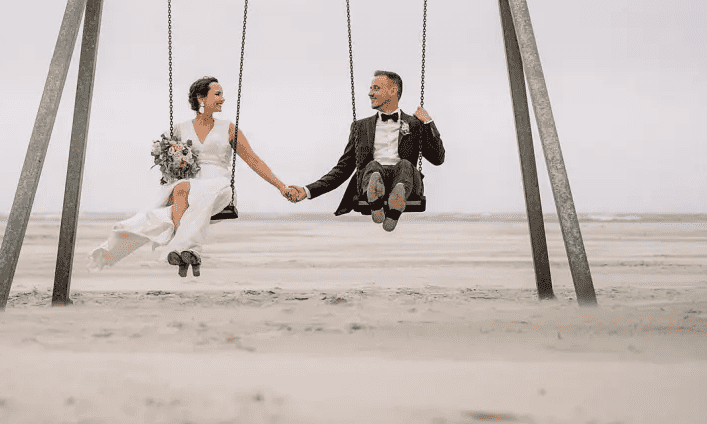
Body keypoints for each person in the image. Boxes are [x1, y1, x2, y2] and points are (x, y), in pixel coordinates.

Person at [89, 76, 290, 277]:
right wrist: (174, 164)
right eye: (217, 94)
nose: (223, 99)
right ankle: (174, 251)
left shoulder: (228, 128)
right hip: (188, 184)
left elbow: (254, 160)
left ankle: (187, 248)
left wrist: (281, 186)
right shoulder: (179, 129)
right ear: (201, 98)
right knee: (162, 212)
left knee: (198, 194)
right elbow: (166, 162)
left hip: (217, 184)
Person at [285, 70, 445, 231]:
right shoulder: (360, 127)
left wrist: (428, 123)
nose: (370, 93)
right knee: (373, 166)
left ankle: (395, 206)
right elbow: (343, 169)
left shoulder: (415, 124)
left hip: (405, 180)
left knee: (404, 165)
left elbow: (438, 158)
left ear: (393, 90)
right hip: (371, 178)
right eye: (370, 89)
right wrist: (307, 190)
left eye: (376, 88)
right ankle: (375, 201)